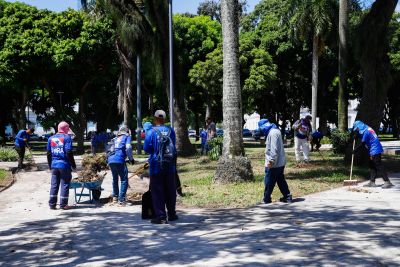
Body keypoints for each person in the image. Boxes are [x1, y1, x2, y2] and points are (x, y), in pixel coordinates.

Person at [144, 110, 178, 224]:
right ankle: (172, 214)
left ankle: (161, 216)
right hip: (170, 166)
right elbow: (173, 146)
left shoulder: (151, 132)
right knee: (170, 190)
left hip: (156, 165)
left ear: (155, 118)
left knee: (158, 191)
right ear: (164, 119)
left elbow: (147, 148)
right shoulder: (171, 131)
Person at [259, 119, 292, 204]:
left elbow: (274, 149)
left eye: (261, 128)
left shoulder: (272, 133)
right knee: (280, 180)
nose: (261, 131)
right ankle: (287, 196)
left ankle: (266, 199)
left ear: (264, 127)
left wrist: (271, 161)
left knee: (269, 181)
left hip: (274, 163)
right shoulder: (275, 131)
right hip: (280, 162)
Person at [352, 121, 394, 188]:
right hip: (374, 149)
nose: (358, 130)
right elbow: (364, 136)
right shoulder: (368, 128)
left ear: (360, 126)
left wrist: (355, 150)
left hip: (375, 150)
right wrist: (357, 135)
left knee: (378, 165)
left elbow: (362, 144)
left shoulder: (366, 132)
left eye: (357, 129)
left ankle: (387, 182)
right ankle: (372, 182)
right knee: (372, 166)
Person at [47, 122, 76, 210]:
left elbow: (48, 153)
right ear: (66, 129)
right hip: (64, 165)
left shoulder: (51, 138)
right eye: (68, 128)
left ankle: (52, 204)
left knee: (54, 184)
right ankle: (63, 205)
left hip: (54, 165)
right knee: (65, 184)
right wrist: (73, 165)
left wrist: (50, 165)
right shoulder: (67, 137)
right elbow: (69, 152)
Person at [107, 125, 135, 205]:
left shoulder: (115, 138)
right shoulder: (127, 137)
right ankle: (121, 200)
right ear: (127, 131)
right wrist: (131, 159)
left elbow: (108, 148)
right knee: (124, 179)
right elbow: (128, 147)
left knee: (115, 178)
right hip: (119, 159)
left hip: (111, 159)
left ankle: (115, 197)